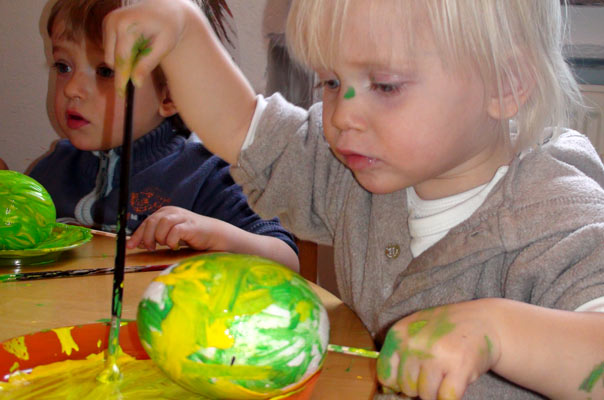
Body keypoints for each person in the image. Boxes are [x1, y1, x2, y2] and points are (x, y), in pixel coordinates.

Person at [103, 0, 604, 398]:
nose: (342, 115)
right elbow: (240, 126)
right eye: (332, 81)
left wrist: (499, 331)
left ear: (506, 84)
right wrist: (185, 32)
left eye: (384, 85)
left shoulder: (555, 212)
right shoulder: (359, 166)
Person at [27, 0, 298, 270]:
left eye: (105, 72)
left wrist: (214, 234)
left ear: (170, 94)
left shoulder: (206, 175)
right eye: (63, 66)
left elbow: (287, 260)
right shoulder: (53, 170)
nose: (72, 89)